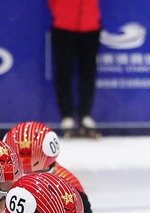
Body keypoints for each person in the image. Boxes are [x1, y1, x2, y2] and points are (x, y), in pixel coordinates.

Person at [48, 0, 102, 138]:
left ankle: (85, 115)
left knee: (88, 72)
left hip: (90, 24)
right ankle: (67, 116)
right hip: (64, 24)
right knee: (64, 72)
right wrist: (59, 12)